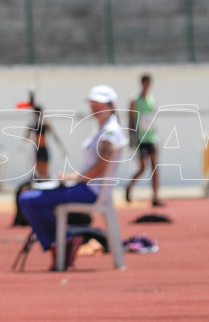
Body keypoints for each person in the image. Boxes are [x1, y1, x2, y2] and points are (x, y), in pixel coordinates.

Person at [17, 85, 127, 271]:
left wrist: (72, 178)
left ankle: (61, 242)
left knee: (28, 199)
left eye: (99, 104)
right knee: (34, 196)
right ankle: (61, 242)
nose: (95, 107)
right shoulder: (104, 128)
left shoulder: (110, 131)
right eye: (93, 103)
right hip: (86, 187)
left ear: (111, 105)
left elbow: (100, 167)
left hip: (89, 190)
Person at [125, 73, 164, 207]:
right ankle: (129, 186)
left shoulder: (152, 99)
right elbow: (131, 119)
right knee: (142, 167)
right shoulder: (135, 99)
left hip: (151, 137)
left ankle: (155, 197)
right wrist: (131, 138)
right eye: (145, 83)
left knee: (154, 166)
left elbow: (151, 118)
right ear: (142, 83)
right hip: (140, 138)